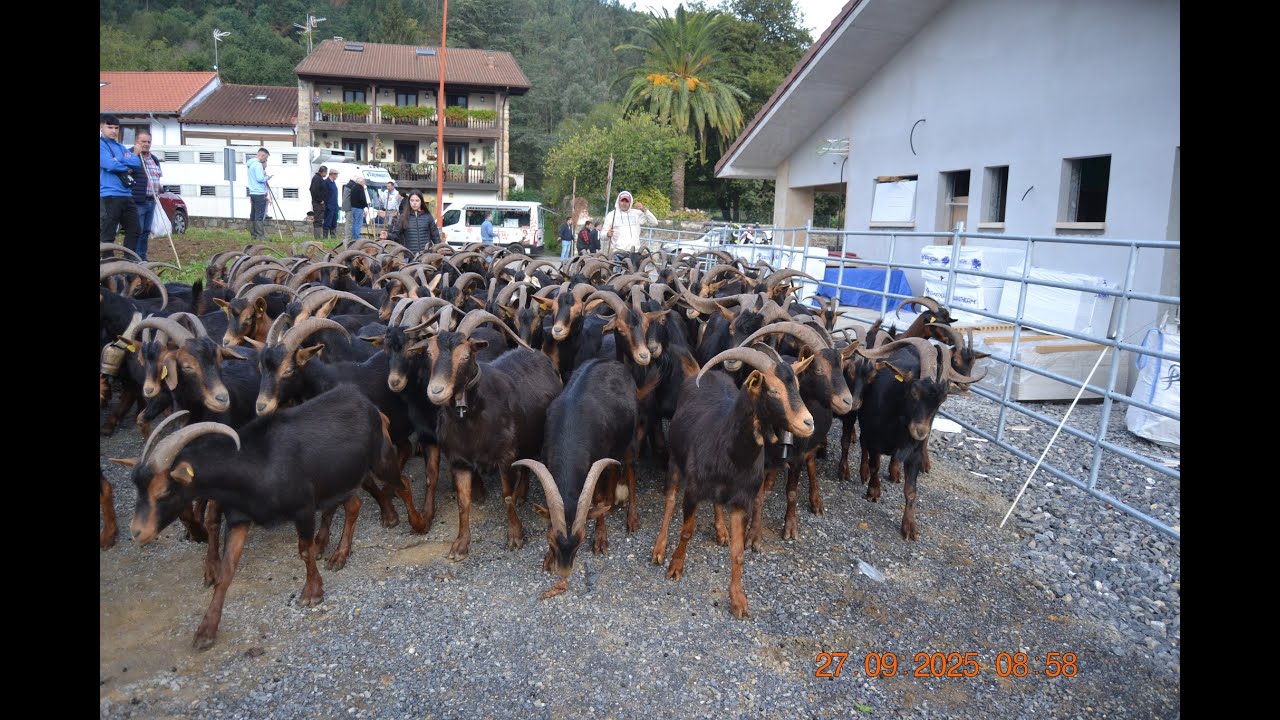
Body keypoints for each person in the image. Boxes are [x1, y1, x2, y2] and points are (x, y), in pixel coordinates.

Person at [99, 114, 142, 250]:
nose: (113, 131)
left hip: (126, 195)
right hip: (109, 195)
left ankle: (130, 262)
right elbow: (109, 165)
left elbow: (136, 162)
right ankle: (108, 264)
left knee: (134, 230)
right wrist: (125, 163)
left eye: (116, 128)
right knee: (108, 232)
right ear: (101, 127)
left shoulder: (120, 147)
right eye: (109, 127)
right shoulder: (101, 145)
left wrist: (119, 159)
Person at [130, 131, 162, 261]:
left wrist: (159, 190)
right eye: (143, 141)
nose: (146, 144)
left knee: (146, 231)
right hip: (138, 200)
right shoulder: (131, 155)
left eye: (148, 142)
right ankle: (134, 258)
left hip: (151, 200)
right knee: (138, 230)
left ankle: (142, 257)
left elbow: (157, 177)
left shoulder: (153, 158)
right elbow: (125, 171)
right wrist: (134, 155)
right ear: (136, 142)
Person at [247, 147, 271, 241]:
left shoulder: (250, 164)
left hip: (253, 192)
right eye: (266, 158)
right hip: (259, 193)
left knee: (253, 214)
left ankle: (253, 235)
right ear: (262, 155)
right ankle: (260, 236)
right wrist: (267, 177)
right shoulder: (257, 165)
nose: (265, 160)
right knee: (259, 215)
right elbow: (260, 179)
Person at [347, 176, 369, 243]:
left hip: (353, 207)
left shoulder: (353, 187)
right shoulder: (360, 188)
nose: (364, 183)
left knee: (354, 222)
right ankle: (357, 237)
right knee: (358, 223)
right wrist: (366, 205)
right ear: (361, 182)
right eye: (363, 182)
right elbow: (362, 198)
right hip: (359, 208)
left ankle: (354, 236)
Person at [310, 165, 328, 240]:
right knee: (317, 219)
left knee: (320, 219)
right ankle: (317, 237)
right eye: (326, 172)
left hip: (319, 202)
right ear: (323, 172)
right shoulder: (317, 179)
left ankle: (318, 236)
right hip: (317, 203)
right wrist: (319, 200)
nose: (326, 174)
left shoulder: (319, 178)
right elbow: (313, 190)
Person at [323, 168, 340, 238]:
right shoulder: (326, 182)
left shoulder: (333, 182)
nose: (337, 176)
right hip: (329, 206)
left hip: (335, 205)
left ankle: (333, 237)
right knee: (327, 222)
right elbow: (325, 195)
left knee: (334, 222)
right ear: (332, 174)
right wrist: (327, 204)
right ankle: (325, 237)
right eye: (336, 175)